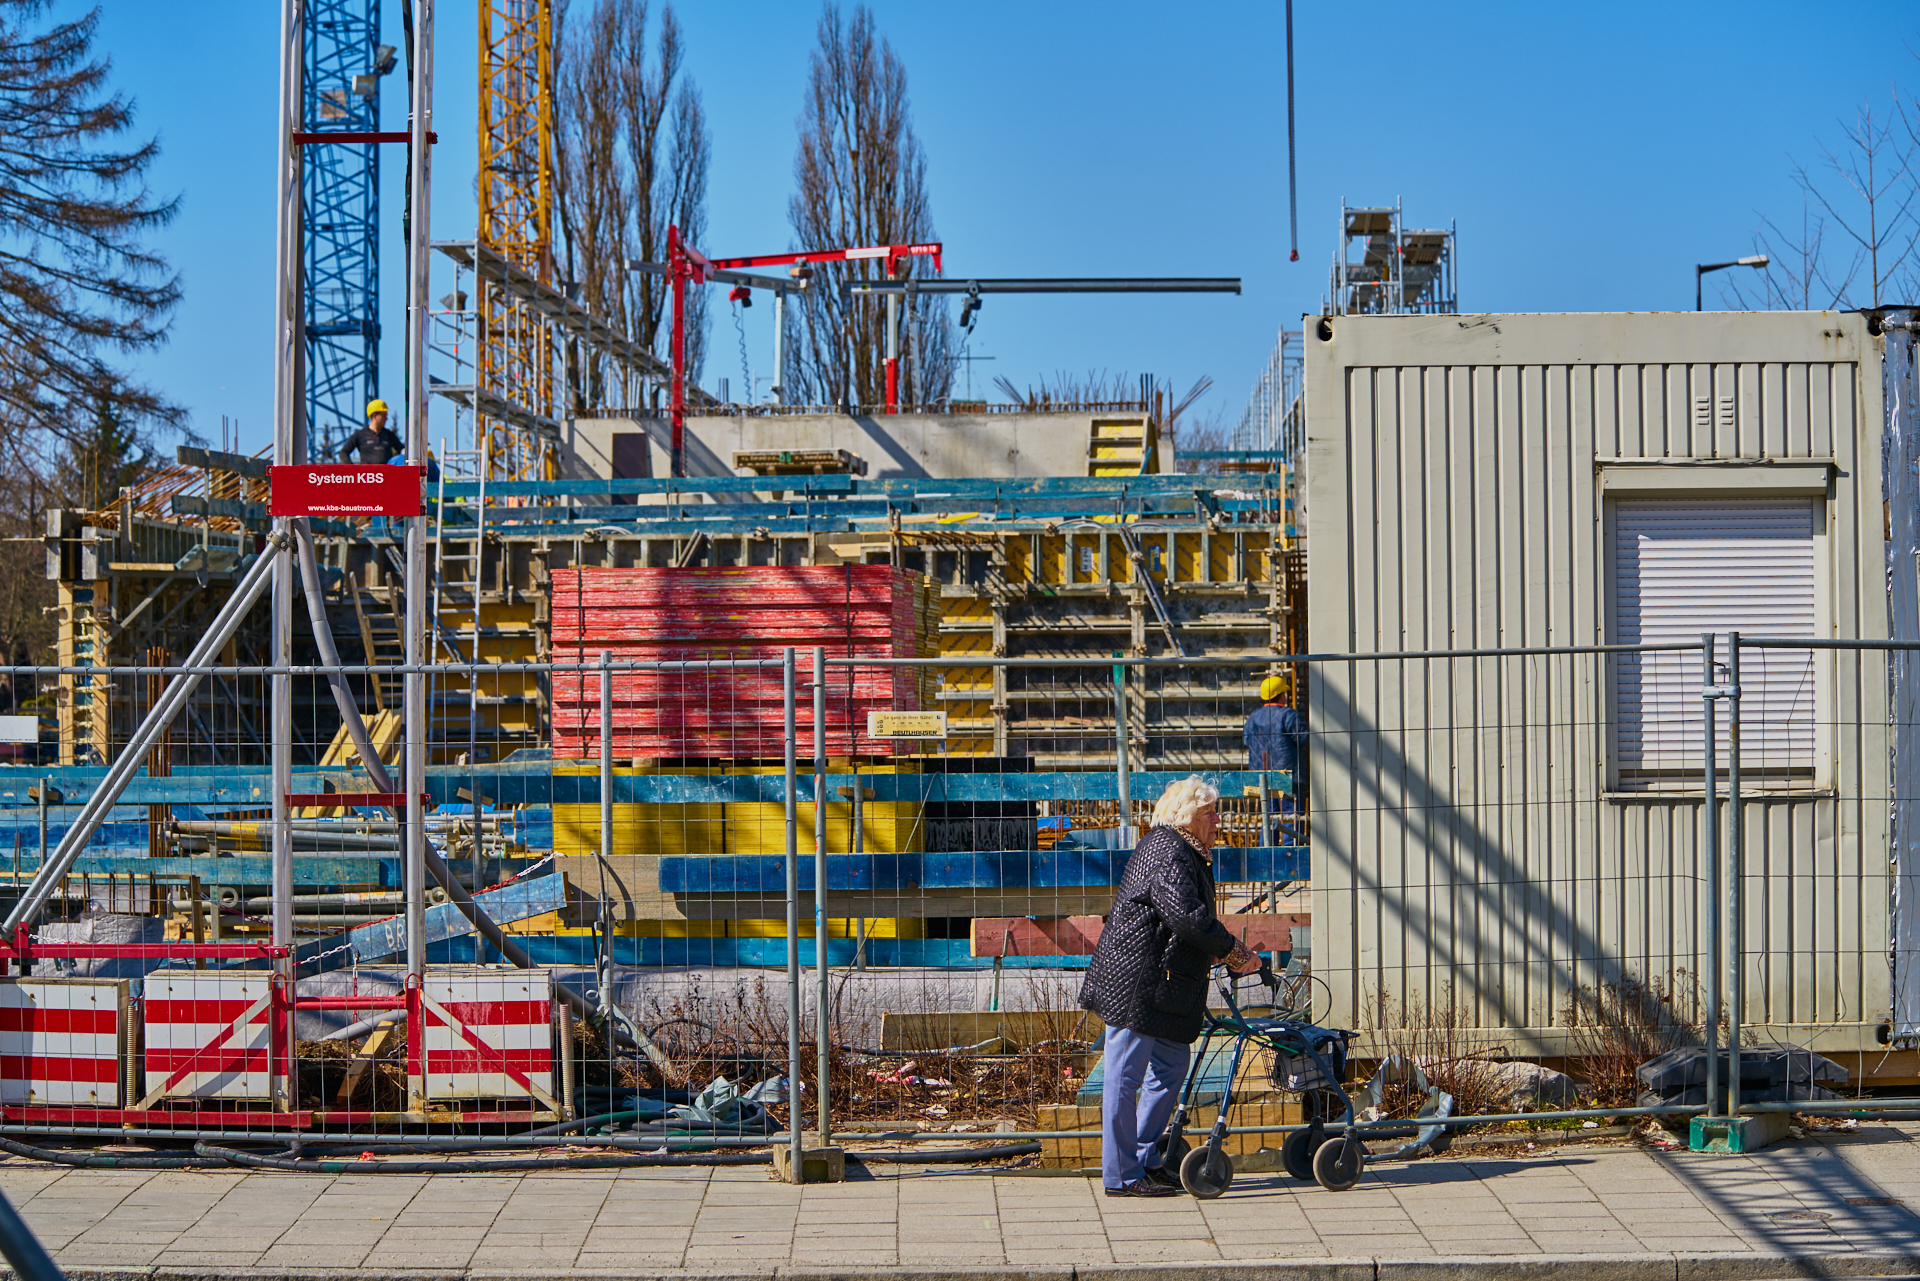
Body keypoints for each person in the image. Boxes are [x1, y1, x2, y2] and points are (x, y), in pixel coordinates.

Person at [1078, 776, 1259, 1197]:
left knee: (1172, 1066)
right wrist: (1234, 951)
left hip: (1159, 987)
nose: (1218, 820)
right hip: (1136, 982)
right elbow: (1186, 916)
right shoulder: (1167, 849)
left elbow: (1183, 920)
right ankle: (1121, 1175)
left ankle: (1144, 1157)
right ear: (1186, 817)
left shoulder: (1185, 851)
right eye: (1209, 813)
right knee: (1124, 1077)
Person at [1243, 674, 1307, 799]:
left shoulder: (1253, 717)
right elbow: (1303, 739)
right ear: (1282, 695)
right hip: (1287, 778)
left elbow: (1246, 740)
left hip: (1261, 779)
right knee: (1290, 816)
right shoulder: (1289, 715)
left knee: (1269, 814)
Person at [340, 399, 406, 465]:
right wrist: (351, 468)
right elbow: (343, 452)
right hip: (366, 474)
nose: (386, 418)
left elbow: (403, 451)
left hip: (386, 474)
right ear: (374, 416)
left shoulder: (389, 435)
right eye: (383, 416)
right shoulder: (359, 435)